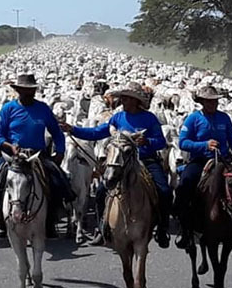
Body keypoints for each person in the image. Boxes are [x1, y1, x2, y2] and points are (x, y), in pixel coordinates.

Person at [62, 83, 172, 248]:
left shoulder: (149, 118)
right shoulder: (118, 118)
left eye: (127, 98)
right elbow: (97, 132)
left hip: (145, 160)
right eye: (123, 98)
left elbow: (161, 142)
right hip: (120, 162)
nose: (123, 101)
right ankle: (101, 229)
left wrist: (147, 141)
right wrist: (73, 130)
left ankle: (162, 228)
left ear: (136, 101)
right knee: (100, 192)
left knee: (164, 190)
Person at [0, 73, 73, 239]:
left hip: (37, 155)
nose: (29, 93)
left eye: (32, 90)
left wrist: (60, 151)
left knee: (58, 181)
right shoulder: (8, 109)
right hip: (13, 156)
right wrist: (9, 146)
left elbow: (56, 132)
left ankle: (50, 220)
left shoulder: (43, 109)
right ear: (18, 91)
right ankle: (1, 220)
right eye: (25, 90)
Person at [174, 86, 232, 249]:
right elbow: (183, 142)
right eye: (208, 101)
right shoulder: (193, 119)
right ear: (202, 102)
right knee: (184, 185)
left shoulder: (224, 118)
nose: (212, 104)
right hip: (200, 160)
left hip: (224, 160)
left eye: (214, 101)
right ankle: (186, 229)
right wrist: (204, 145)